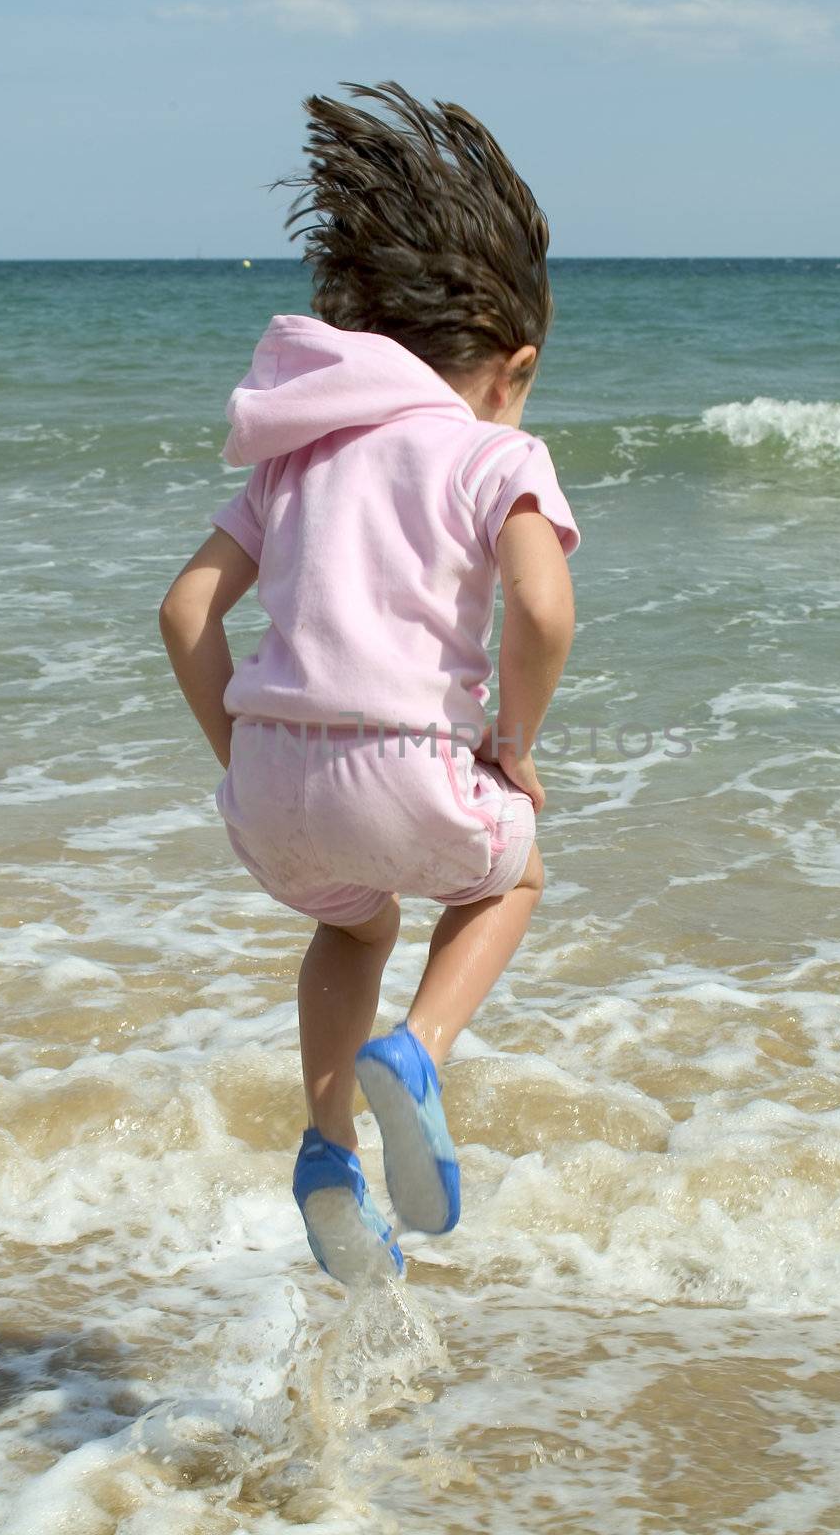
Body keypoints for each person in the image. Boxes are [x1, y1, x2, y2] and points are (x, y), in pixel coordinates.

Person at [159, 80, 580, 1285]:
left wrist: (239, 756)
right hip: (409, 766)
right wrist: (514, 735)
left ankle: (327, 1149)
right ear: (515, 366)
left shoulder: (294, 459)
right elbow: (542, 607)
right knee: (512, 875)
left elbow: (186, 609)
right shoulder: (492, 450)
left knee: (352, 922)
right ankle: (419, 1053)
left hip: (274, 789)